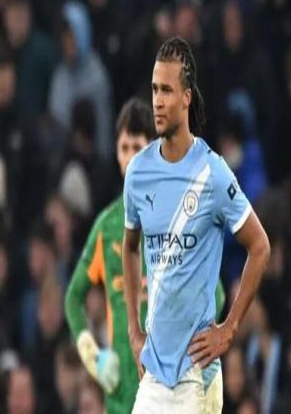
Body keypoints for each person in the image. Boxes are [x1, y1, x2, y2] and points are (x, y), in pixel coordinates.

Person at [122, 36, 270, 413]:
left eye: (167, 90)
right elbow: (130, 247)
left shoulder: (212, 174)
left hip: (196, 375)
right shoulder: (138, 172)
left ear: (186, 97)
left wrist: (230, 328)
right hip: (155, 373)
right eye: (154, 89)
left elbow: (260, 246)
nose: (157, 101)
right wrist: (134, 330)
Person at [65, 97, 226, 412]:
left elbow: (216, 294)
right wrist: (94, 357)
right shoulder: (107, 226)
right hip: (120, 394)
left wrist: (196, 358)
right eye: (124, 148)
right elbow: (73, 298)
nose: (130, 157)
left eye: (137, 147)